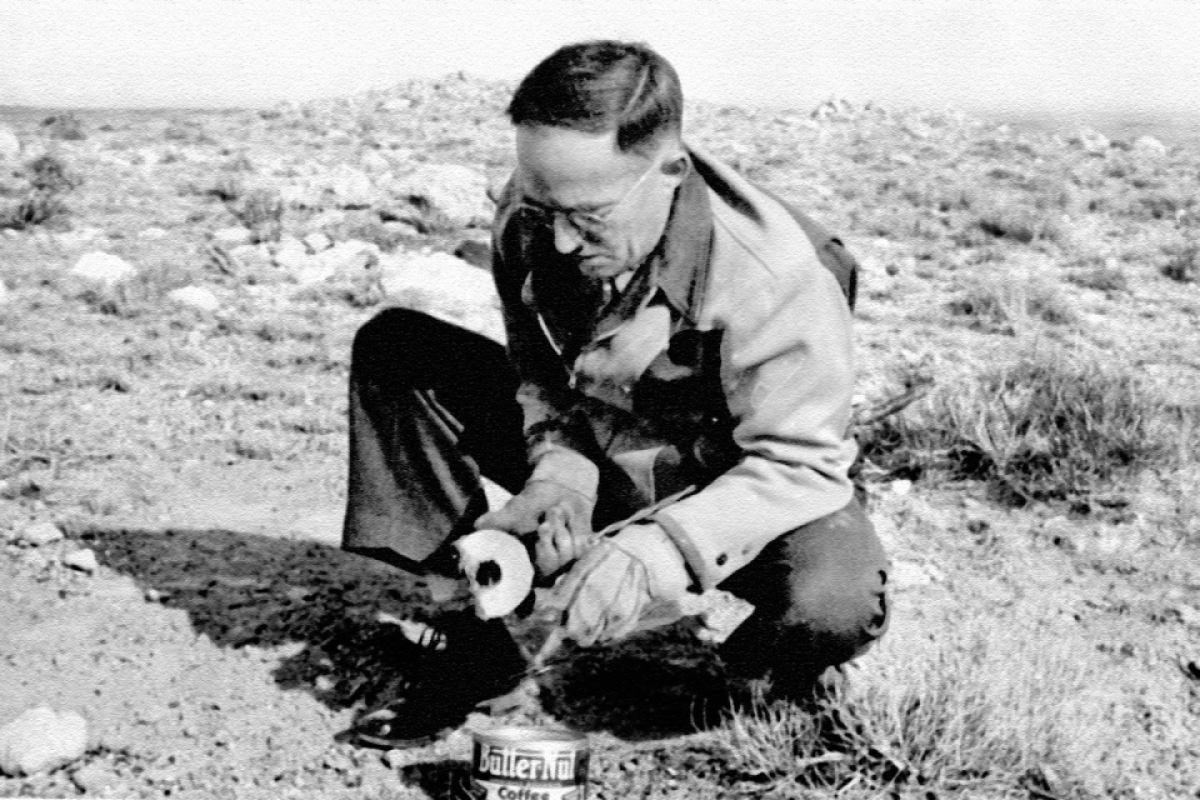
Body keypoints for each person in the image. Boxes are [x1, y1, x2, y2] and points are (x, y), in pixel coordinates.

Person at [341, 40, 889, 747]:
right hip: (606, 456)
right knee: (398, 349)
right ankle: (475, 636)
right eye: (543, 209)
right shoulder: (537, 213)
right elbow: (538, 374)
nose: (562, 243)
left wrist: (658, 553)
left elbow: (796, 462)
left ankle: (756, 679)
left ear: (671, 170)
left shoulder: (778, 275)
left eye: (589, 218)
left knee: (832, 600)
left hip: (728, 482)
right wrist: (559, 473)